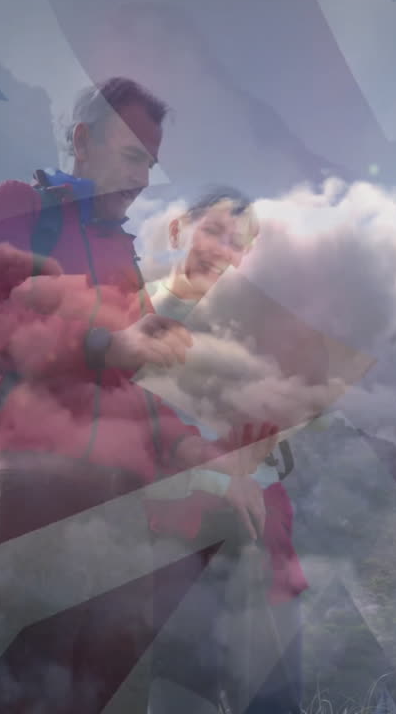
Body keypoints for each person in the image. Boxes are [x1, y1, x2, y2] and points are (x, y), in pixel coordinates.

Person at [0, 78, 279, 714]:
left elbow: (120, 393)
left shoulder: (116, 252)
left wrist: (205, 458)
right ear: (81, 140)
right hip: (27, 503)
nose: (143, 179)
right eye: (131, 157)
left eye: (150, 164)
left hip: (116, 518)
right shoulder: (16, 207)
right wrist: (101, 346)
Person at [141, 188, 313, 714]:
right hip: (175, 544)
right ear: (182, 229)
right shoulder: (137, 309)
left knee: (274, 698)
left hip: (262, 539)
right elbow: (125, 416)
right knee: (182, 695)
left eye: (237, 242)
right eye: (212, 231)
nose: (221, 249)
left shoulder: (258, 328)